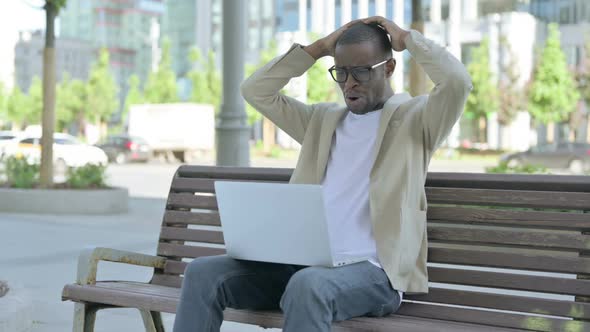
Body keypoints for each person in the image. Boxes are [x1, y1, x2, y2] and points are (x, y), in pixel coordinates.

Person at [173, 16, 471, 332]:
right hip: (301, 268)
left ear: (388, 68)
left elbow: (457, 82)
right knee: (204, 273)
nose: (349, 83)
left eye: (360, 72)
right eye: (340, 72)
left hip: (373, 275)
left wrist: (408, 38)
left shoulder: (417, 120)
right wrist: (317, 49)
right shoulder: (321, 121)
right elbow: (255, 90)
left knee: (309, 284)